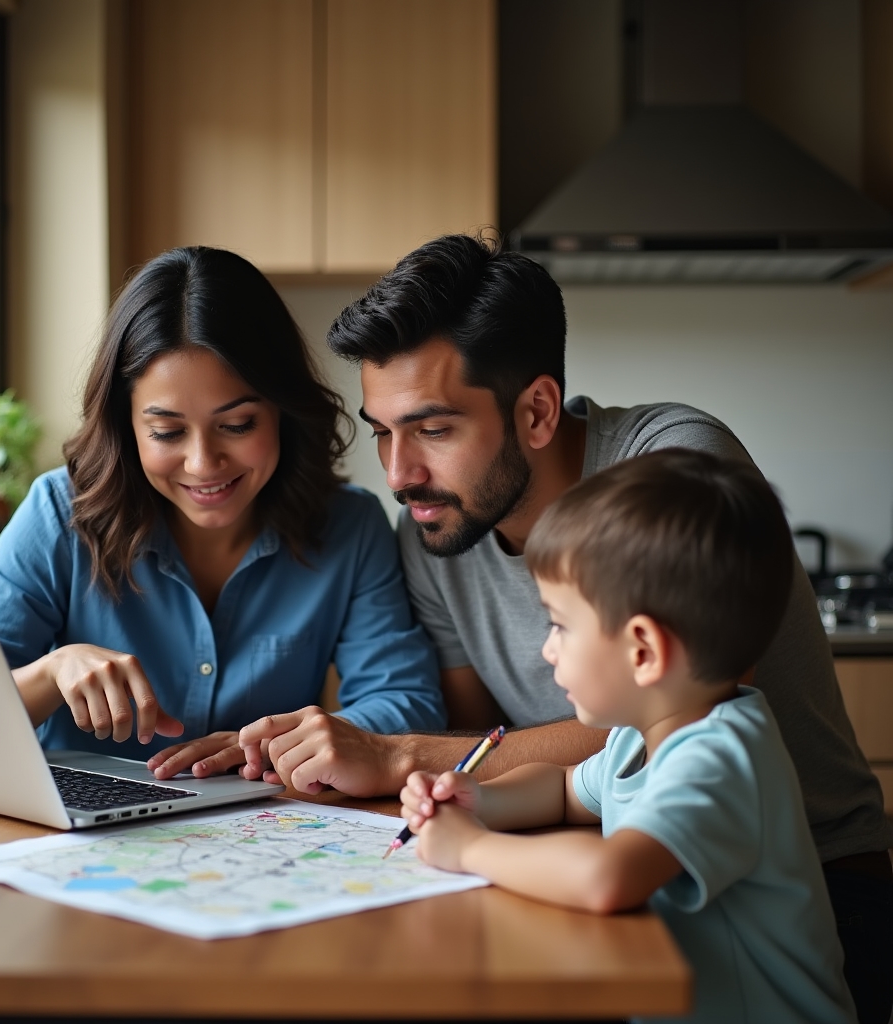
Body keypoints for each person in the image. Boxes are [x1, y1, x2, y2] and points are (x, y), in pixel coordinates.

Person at [233, 234, 891, 1022]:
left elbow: (683, 709)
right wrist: (469, 794)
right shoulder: (435, 526)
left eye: (433, 430)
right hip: (619, 885)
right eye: (382, 430)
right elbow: (500, 746)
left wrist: (405, 762)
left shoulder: (672, 480)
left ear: (537, 411)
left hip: (815, 894)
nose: (398, 474)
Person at [400, 449, 857, 1024]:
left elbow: (608, 878)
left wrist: (470, 848)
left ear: (643, 651)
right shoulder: (640, 736)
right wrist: (478, 799)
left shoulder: (720, 758)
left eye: (560, 625)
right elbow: (565, 789)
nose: (548, 649)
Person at [0, 245, 445, 776]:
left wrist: (278, 745)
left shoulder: (349, 526)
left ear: (283, 411)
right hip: (77, 822)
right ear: (126, 427)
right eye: (166, 432)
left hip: (265, 820)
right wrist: (50, 672)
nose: (203, 463)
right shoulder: (59, 514)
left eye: (237, 425)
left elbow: (407, 703)